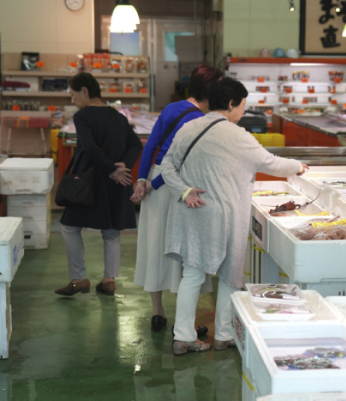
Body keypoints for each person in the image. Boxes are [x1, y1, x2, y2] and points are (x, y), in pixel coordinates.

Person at [161, 78, 308, 354]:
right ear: (231, 104)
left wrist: (184, 191)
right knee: (230, 275)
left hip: (192, 211)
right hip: (224, 215)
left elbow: (167, 165)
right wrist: (299, 166)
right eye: (242, 106)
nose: (242, 112)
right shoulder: (238, 135)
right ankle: (224, 335)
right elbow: (271, 163)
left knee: (191, 275)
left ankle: (182, 337)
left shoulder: (189, 127)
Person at [131, 65, 223, 335]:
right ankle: (185, 323)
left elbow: (151, 145)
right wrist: (154, 184)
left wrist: (143, 180)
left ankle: (157, 313)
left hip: (156, 180)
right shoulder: (201, 121)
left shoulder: (171, 108)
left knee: (154, 245)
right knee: (186, 252)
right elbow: (179, 162)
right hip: (179, 186)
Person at [55, 73, 142, 297]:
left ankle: (79, 278)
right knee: (111, 231)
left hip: (89, 183)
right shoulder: (118, 116)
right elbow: (136, 145)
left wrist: (112, 169)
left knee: (69, 226)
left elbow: (90, 148)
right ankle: (109, 281)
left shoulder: (82, 116)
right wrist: (123, 166)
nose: (73, 100)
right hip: (117, 183)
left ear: (84, 91)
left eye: (73, 95)